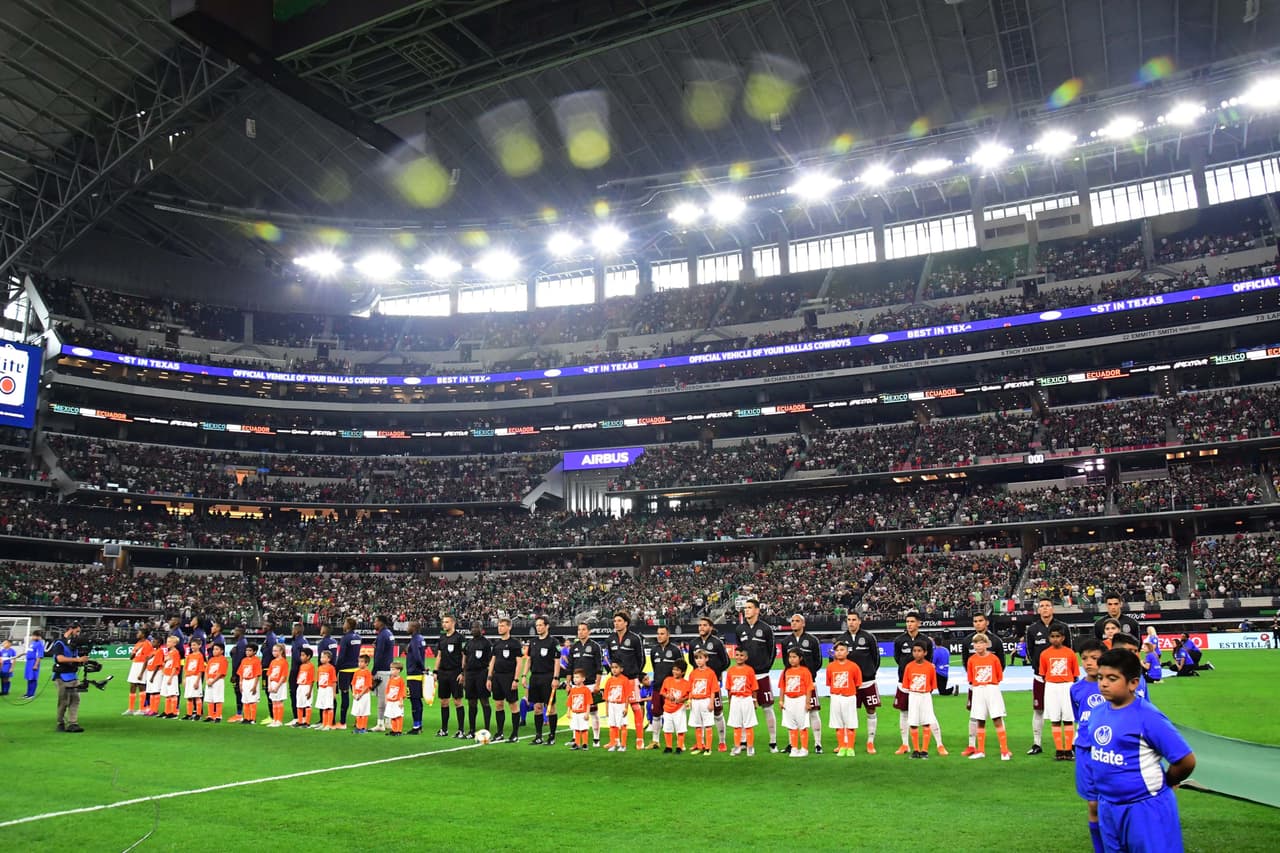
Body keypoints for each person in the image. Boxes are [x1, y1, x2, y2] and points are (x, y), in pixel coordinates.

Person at [1089, 649, 1196, 853]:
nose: (1103, 683)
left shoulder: (1148, 716)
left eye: (1112, 678)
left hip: (1145, 807)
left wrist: (1169, 781)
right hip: (1108, 806)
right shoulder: (1097, 712)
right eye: (1101, 677)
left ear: (1133, 683)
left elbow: (1185, 760)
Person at [1070, 639, 1107, 853]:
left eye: (1094, 658)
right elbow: (1080, 719)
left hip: (1108, 750)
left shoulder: (1112, 685)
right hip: (1084, 750)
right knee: (1092, 804)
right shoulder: (1076, 689)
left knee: (1111, 803)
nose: (1089, 662)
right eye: (1084, 658)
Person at [1026, 597, 1071, 755]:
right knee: (1038, 710)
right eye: (1042, 606)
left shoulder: (1063, 627)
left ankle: (1069, 744)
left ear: (1053, 608)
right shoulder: (1032, 629)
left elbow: (1069, 651)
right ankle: (1037, 743)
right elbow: (1030, 652)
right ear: (1038, 610)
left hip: (1060, 679)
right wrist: (1038, 668)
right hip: (1040, 677)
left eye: (1048, 606)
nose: (1045, 608)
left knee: (1066, 711)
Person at [835, 611, 881, 754]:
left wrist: (870, 672)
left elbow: (876, 658)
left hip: (867, 682)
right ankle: (846, 742)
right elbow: (836, 659)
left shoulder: (868, 637)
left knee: (871, 710)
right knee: (847, 713)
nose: (851, 622)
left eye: (854, 619)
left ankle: (870, 742)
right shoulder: (841, 639)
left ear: (859, 621)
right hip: (849, 685)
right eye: (849, 620)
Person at [892, 613, 937, 755]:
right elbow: (897, 658)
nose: (909, 624)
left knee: (928, 716)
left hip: (922, 685)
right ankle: (905, 744)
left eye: (912, 621)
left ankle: (939, 744)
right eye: (907, 621)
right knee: (904, 713)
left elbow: (929, 660)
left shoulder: (926, 641)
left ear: (919, 623)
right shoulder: (899, 640)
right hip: (903, 682)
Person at [739, 599, 779, 752]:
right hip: (746, 676)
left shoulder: (766, 629)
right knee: (745, 709)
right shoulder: (740, 629)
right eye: (745, 608)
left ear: (757, 610)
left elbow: (772, 650)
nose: (746, 610)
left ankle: (773, 742)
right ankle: (743, 740)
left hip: (762, 675)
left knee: (767, 707)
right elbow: (740, 651)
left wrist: (766, 667)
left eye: (749, 608)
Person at [781, 614, 824, 753]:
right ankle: (791, 744)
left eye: (797, 621)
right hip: (792, 685)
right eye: (792, 621)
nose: (794, 623)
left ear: (803, 623)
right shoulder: (786, 641)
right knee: (791, 715)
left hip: (808, 682)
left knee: (813, 712)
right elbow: (785, 662)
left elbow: (818, 661)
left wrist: (808, 674)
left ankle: (818, 744)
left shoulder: (812, 640)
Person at [964, 633, 1010, 761]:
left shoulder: (994, 659)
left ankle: (1004, 751)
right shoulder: (971, 660)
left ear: (986, 644)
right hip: (978, 690)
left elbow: (999, 676)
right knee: (980, 720)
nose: (978, 646)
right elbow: (971, 678)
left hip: (992, 689)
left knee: (997, 719)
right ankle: (981, 750)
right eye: (976, 644)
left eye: (980, 643)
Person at [688, 616, 730, 751]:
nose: (701, 627)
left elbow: (726, 662)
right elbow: (691, 661)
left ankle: (722, 741)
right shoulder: (693, 643)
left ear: (711, 627)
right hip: (698, 686)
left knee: (717, 713)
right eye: (700, 625)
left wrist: (714, 674)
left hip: (712, 684)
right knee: (698, 715)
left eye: (705, 625)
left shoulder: (717, 643)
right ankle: (699, 743)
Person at [607, 611, 647, 750]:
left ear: (626, 623)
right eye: (615, 621)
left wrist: (635, 673)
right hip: (617, 681)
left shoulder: (635, 638)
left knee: (635, 708)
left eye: (619, 620)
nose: (616, 623)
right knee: (616, 709)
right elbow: (611, 659)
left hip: (631, 679)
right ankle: (616, 740)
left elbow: (641, 658)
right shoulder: (610, 638)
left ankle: (640, 739)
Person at [1039, 627, 1080, 760]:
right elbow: (1043, 673)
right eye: (1053, 636)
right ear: (1049, 638)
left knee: (1068, 719)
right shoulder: (1044, 654)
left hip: (1067, 686)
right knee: (1055, 719)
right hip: (1051, 687)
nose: (1055, 639)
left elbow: (1075, 674)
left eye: (1058, 636)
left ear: (1063, 638)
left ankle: (1068, 749)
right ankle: (1059, 750)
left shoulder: (1070, 653)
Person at [486, 617, 525, 742]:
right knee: (498, 704)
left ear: (509, 627)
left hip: (509, 677)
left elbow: (519, 663)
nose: (500, 628)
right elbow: (492, 661)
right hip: (497, 677)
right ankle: (500, 732)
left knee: (513, 704)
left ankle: (514, 734)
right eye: (499, 625)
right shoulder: (497, 644)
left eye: (502, 625)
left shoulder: (515, 643)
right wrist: (489, 677)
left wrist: (516, 679)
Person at [524, 616, 562, 746]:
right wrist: (524, 675)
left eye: (541, 625)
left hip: (548, 677)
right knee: (537, 708)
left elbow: (557, 661)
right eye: (537, 625)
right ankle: (538, 736)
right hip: (535, 677)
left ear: (547, 626)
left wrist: (556, 678)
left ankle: (552, 736)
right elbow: (529, 660)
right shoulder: (533, 642)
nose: (538, 627)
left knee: (550, 708)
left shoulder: (553, 642)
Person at [647, 626, 686, 749]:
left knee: (676, 716)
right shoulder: (654, 651)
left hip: (672, 690)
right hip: (658, 688)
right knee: (656, 714)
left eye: (662, 633)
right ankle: (655, 741)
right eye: (658, 633)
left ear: (668, 635)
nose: (659, 636)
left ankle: (680, 743)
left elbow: (682, 667)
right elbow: (655, 667)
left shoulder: (675, 650)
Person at [568, 621, 605, 746]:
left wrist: (597, 684)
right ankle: (575, 738)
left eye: (583, 629)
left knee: (593, 711)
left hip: (590, 684)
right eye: (579, 630)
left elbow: (599, 667)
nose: (581, 632)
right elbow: (570, 667)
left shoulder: (595, 647)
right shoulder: (574, 647)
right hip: (575, 685)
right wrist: (568, 683)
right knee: (576, 711)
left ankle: (596, 738)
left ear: (588, 631)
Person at [824, 640, 863, 757]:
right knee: (838, 724)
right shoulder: (830, 667)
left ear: (847, 652)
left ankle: (850, 747)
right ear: (834, 653)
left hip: (849, 697)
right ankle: (841, 746)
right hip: (836, 697)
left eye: (842, 650)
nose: (839, 652)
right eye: (837, 650)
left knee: (850, 723)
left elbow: (857, 683)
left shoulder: (853, 666)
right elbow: (830, 682)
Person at [902, 640, 940, 758]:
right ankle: (916, 750)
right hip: (913, 696)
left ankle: (924, 750)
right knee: (913, 723)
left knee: (926, 723)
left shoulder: (930, 667)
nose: (916, 653)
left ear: (925, 652)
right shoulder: (909, 666)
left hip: (925, 696)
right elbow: (906, 684)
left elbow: (933, 685)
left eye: (919, 651)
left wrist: (924, 692)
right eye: (914, 651)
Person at [50, 625, 89, 732]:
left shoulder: (74, 645)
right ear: (71, 629)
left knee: (75, 699)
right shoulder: (59, 643)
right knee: (64, 701)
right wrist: (77, 660)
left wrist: (82, 660)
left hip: (72, 675)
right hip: (62, 676)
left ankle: (73, 723)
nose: (78, 634)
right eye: (77, 631)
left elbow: (74, 659)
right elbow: (60, 658)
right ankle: (60, 723)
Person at [433, 614, 466, 738]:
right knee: (444, 702)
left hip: (455, 673)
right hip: (443, 673)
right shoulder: (442, 638)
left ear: (453, 623)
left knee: (457, 701)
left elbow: (464, 656)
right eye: (443, 622)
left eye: (447, 622)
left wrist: (462, 672)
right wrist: (436, 671)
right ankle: (444, 729)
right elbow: (439, 656)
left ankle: (461, 730)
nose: (444, 624)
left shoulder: (459, 638)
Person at [780, 648, 815, 757]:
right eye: (790, 657)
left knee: (802, 725)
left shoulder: (805, 671)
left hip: (800, 699)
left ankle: (804, 749)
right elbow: (782, 686)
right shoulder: (786, 671)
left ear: (800, 658)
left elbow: (809, 688)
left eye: (794, 657)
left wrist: (808, 702)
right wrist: (781, 700)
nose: (791, 659)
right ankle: (794, 748)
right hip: (788, 700)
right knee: (791, 726)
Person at [724, 646, 759, 756]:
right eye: (737, 655)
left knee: (748, 724)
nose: (739, 657)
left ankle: (750, 747)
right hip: (735, 699)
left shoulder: (749, 670)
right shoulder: (731, 670)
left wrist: (754, 700)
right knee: (736, 724)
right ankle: (737, 746)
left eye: (741, 655)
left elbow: (754, 687)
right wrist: (730, 702)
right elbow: (729, 688)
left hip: (747, 699)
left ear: (746, 657)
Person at [462, 621, 493, 738]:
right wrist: (464, 676)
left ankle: (487, 729)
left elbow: (491, 661)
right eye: (472, 627)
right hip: (470, 674)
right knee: (471, 702)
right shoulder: (468, 643)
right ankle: (471, 730)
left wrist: (490, 677)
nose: (474, 629)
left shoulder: (486, 643)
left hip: (482, 673)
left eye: (476, 627)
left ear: (482, 629)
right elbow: (464, 661)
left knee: (484, 701)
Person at [687, 649, 720, 755]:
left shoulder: (710, 673)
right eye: (696, 658)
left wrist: (711, 703)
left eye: (701, 658)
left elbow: (713, 690)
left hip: (705, 701)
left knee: (708, 724)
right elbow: (691, 688)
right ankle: (700, 746)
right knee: (697, 725)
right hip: (696, 701)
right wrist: (690, 700)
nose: (698, 661)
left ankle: (708, 748)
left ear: (706, 659)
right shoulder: (693, 673)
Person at [658, 660, 691, 753]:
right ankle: (668, 747)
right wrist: (667, 696)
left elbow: (689, 695)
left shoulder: (686, 683)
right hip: (667, 708)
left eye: (677, 670)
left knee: (680, 728)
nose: (674, 671)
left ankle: (679, 747)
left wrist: (682, 700)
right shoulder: (667, 680)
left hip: (679, 709)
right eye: (673, 669)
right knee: (667, 728)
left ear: (683, 672)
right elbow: (662, 692)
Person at [335, 618, 362, 730]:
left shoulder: (345, 638)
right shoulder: (358, 638)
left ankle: (343, 722)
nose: (343, 625)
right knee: (356, 695)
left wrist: (336, 668)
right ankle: (359, 721)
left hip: (345, 670)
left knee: (345, 695)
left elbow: (341, 656)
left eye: (345, 623)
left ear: (348, 625)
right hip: (355, 669)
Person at [371, 615, 394, 733]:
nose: (374, 624)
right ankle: (388, 721)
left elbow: (379, 655)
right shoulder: (389, 634)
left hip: (382, 670)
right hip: (389, 668)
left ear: (380, 623)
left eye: (375, 621)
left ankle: (380, 723)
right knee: (387, 697)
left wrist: (373, 671)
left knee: (381, 697)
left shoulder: (382, 635)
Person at [404, 621, 427, 735]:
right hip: (418, 674)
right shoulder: (420, 639)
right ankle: (419, 725)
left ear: (413, 628)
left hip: (414, 674)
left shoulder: (414, 640)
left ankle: (416, 726)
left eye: (409, 626)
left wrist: (422, 668)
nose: (407, 628)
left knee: (414, 701)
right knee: (417, 700)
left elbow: (417, 656)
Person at [603, 661, 632, 752]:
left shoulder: (625, 680)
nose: (614, 669)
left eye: (616, 667)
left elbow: (627, 695)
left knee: (623, 725)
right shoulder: (609, 680)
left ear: (621, 669)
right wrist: (607, 709)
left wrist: (626, 707)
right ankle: (613, 743)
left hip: (621, 705)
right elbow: (606, 696)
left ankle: (623, 745)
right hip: (612, 705)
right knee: (612, 725)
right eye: (612, 667)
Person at [124, 628, 153, 714]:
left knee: (141, 686)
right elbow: (131, 657)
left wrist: (141, 672)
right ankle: (131, 709)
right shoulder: (138, 643)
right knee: (132, 685)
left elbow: (147, 659)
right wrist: (133, 653)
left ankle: (142, 708)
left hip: (142, 665)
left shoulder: (148, 644)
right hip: (135, 664)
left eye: (139, 632)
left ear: (143, 634)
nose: (137, 634)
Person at [566, 669, 595, 751]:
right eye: (574, 677)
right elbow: (570, 701)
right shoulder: (573, 690)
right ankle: (577, 743)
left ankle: (585, 743)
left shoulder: (586, 690)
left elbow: (589, 702)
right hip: (575, 712)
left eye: (577, 677)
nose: (575, 679)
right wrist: (568, 711)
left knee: (584, 728)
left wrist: (587, 713)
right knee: (576, 728)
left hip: (582, 713)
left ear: (583, 679)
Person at [236, 643, 262, 725]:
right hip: (245, 681)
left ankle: (253, 719)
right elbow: (240, 672)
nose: (247, 652)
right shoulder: (244, 660)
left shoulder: (257, 660)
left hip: (252, 680)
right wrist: (240, 683)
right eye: (247, 650)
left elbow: (258, 674)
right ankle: (246, 718)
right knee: (245, 700)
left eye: (250, 650)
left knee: (252, 700)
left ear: (254, 652)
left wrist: (255, 686)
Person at [182, 637, 206, 720]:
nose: (192, 647)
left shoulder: (200, 656)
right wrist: (184, 678)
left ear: (199, 646)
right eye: (192, 645)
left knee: (197, 696)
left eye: (194, 645)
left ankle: (198, 714)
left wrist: (197, 681)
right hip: (189, 677)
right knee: (189, 696)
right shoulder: (189, 656)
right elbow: (186, 668)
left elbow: (200, 670)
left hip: (195, 677)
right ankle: (189, 714)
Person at [266, 643, 289, 728]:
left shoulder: (284, 662)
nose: (273, 652)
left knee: (279, 701)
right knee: (274, 702)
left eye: (275, 651)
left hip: (280, 684)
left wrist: (277, 686)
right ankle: (274, 720)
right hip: (272, 683)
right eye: (273, 651)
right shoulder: (273, 662)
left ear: (281, 651)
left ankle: (279, 720)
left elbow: (283, 676)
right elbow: (269, 674)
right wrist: (269, 685)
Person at [203, 643, 227, 723]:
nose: (214, 651)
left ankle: (218, 716)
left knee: (218, 698)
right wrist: (207, 680)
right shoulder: (211, 660)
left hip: (217, 681)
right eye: (214, 649)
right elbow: (206, 671)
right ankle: (210, 715)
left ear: (222, 651)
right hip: (209, 680)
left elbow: (220, 673)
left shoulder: (223, 659)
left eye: (217, 649)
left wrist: (212, 681)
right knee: (210, 698)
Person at [160, 634, 182, 719]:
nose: (167, 643)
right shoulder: (169, 652)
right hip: (166, 675)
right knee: (167, 694)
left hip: (172, 676)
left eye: (169, 642)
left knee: (173, 694)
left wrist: (171, 677)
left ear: (174, 643)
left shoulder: (176, 653)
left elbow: (176, 666)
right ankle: (167, 711)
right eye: (167, 641)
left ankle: (174, 712)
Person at [288, 622, 307, 720]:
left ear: (296, 631)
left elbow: (299, 657)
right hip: (301, 670)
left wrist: (300, 663)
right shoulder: (303, 641)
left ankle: (298, 717)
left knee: (295, 692)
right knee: (298, 693)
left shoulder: (298, 642)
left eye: (293, 630)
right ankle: (301, 716)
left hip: (297, 670)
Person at [228, 626, 247, 722]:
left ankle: (240, 714)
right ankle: (241, 713)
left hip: (239, 672)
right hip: (240, 671)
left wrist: (234, 674)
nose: (233, 632)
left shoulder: (241, 643)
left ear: (240, 632)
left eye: (235, 631)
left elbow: (238, 661)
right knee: (239, 692)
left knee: (239, 692)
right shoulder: (241, 642)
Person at [315, 649, 337, 730]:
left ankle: (329, 724)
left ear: (329, 659)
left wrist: (334, 692)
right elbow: (318, 680)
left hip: (328, 689)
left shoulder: (331, 668)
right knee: (323, 707)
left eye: (324, 657)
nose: (322, 659)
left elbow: (334, 681)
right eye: (321, 657)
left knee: (329, 707)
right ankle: (324, 724)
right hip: (321, 689)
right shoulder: (320, 668)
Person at [293, 647, 315, 727]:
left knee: (307, 704)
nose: (301, 657)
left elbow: (312, 679)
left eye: (303, 655)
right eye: (301, 655)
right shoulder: (302, 666)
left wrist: (309, 691)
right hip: (300, 686)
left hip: (307, 687)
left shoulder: (311, 666)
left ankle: (307, 722)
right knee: (299, 704)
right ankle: (300, 721)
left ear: (308, 657)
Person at [351, 654, 374, 733]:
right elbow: (353, 683)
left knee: (364, 711)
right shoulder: (356, 672)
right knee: (358, 711)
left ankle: (363, 728)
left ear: (366, 663)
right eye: (359, 662)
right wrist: (354, 693)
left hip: (364, 695)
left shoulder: (367, 673)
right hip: (356, 695)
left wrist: (361, 694)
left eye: (362, 662)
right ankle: (358, 727)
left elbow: (367, 685)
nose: (359, 663)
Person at [144, 636, 165, 716]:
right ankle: (151, 709)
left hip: (156, 673)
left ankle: (155, 710)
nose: (152, 643)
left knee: (155, 691)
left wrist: (152, 676)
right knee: (151, 692)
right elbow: (147, 660)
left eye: (154, 642)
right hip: (150, 672)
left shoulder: (160, 651)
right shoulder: (154, 651)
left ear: (159, 643)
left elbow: (157, 665)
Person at [384, 661, 406, 736]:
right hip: (391, 701)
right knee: (392, 715)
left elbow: (402, 691)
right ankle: (394, 730)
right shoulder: (391, 679)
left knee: (398, 715)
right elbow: (387, 689)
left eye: (393, 669)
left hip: (397, 701)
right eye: (391, 669)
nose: (391, 671)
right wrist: (386, 698)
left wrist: (401, 701)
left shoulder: (401, 680)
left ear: (398, 670)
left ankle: (399, 731)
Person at [23, 629, 45, 699]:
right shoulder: (33, 643)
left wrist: (36, 665)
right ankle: (28, 693)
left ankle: (32, 694)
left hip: (33, 662)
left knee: (33, 678)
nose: (32, 637)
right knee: (29, 678)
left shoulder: (40, 644)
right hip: (29, 662)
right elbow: (31, 651)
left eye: (33, 636)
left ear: (38, 636)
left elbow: (39, 656)